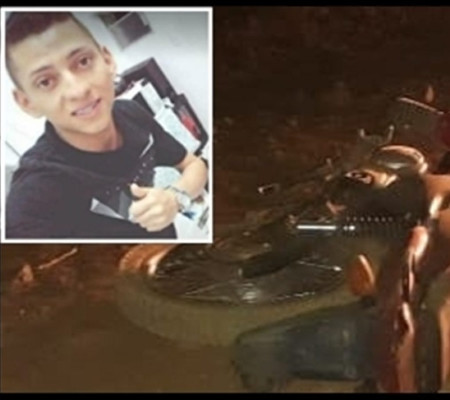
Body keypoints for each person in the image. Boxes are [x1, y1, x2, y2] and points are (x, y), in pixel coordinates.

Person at [4, 12, 208, 239]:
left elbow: (194, 165)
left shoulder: (131, 113)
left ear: (107, 60)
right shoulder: (33, 199)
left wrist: (175, 197)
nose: (78, 90)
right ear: (27, 102)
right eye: (45, 81)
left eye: (83, 61)